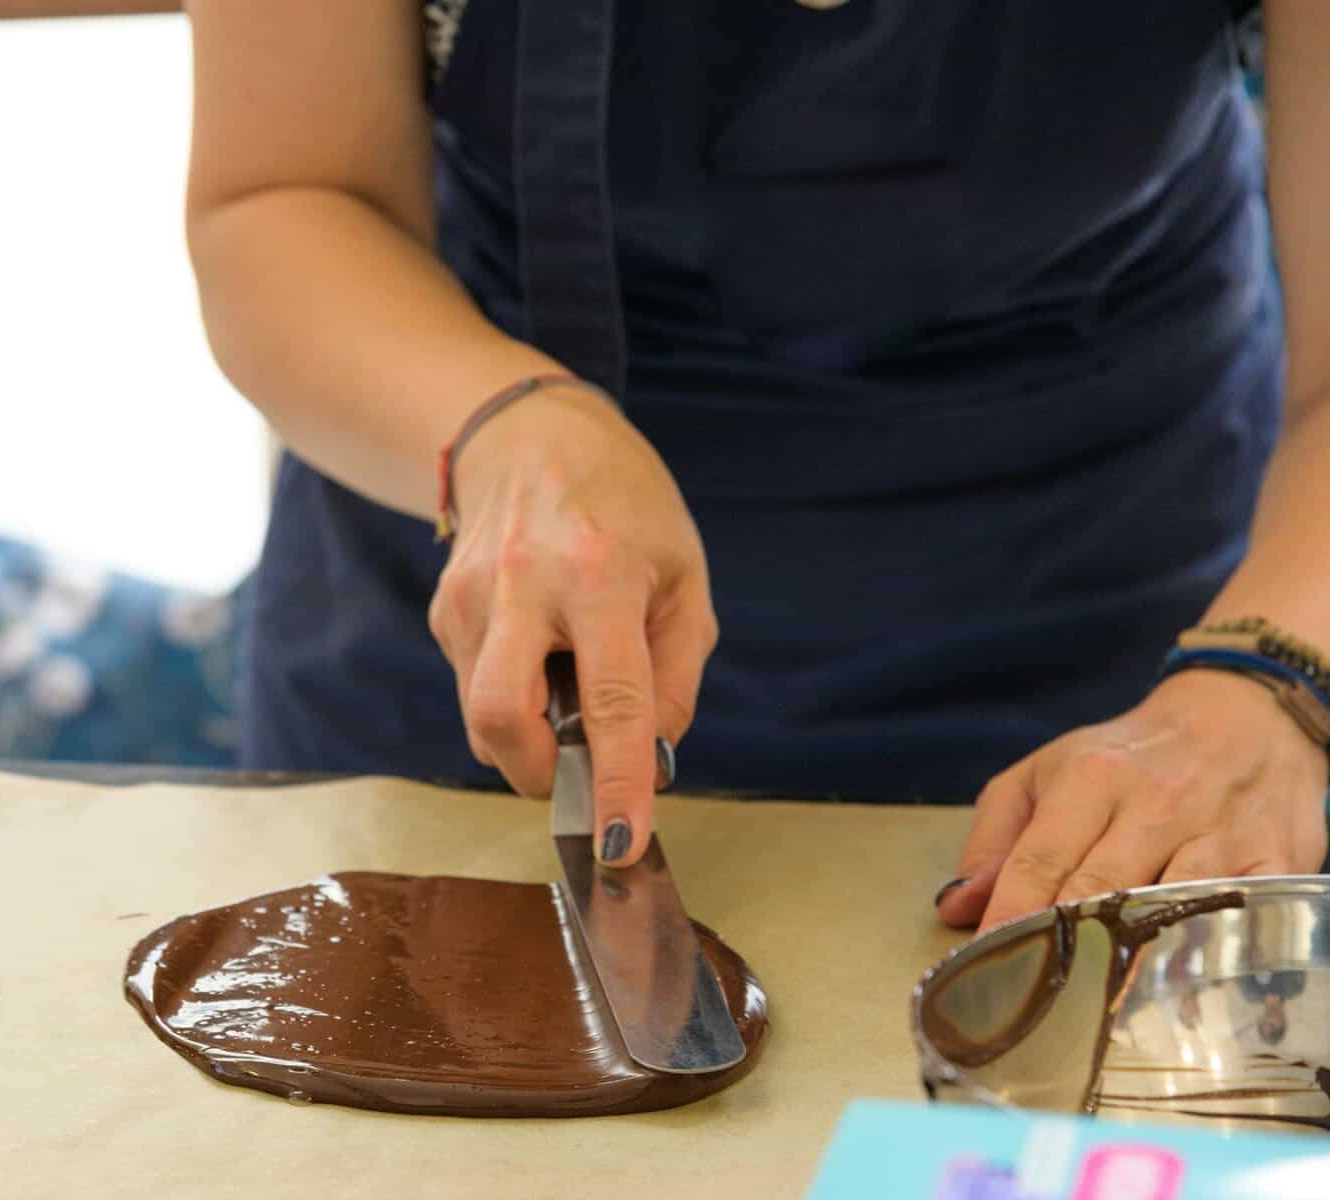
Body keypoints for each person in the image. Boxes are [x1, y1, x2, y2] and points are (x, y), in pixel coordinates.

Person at [186, 1, 1330, 932]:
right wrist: (504, 425)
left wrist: (1270, 687)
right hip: (478, 624)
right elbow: (286, 194)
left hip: (1118, 630)